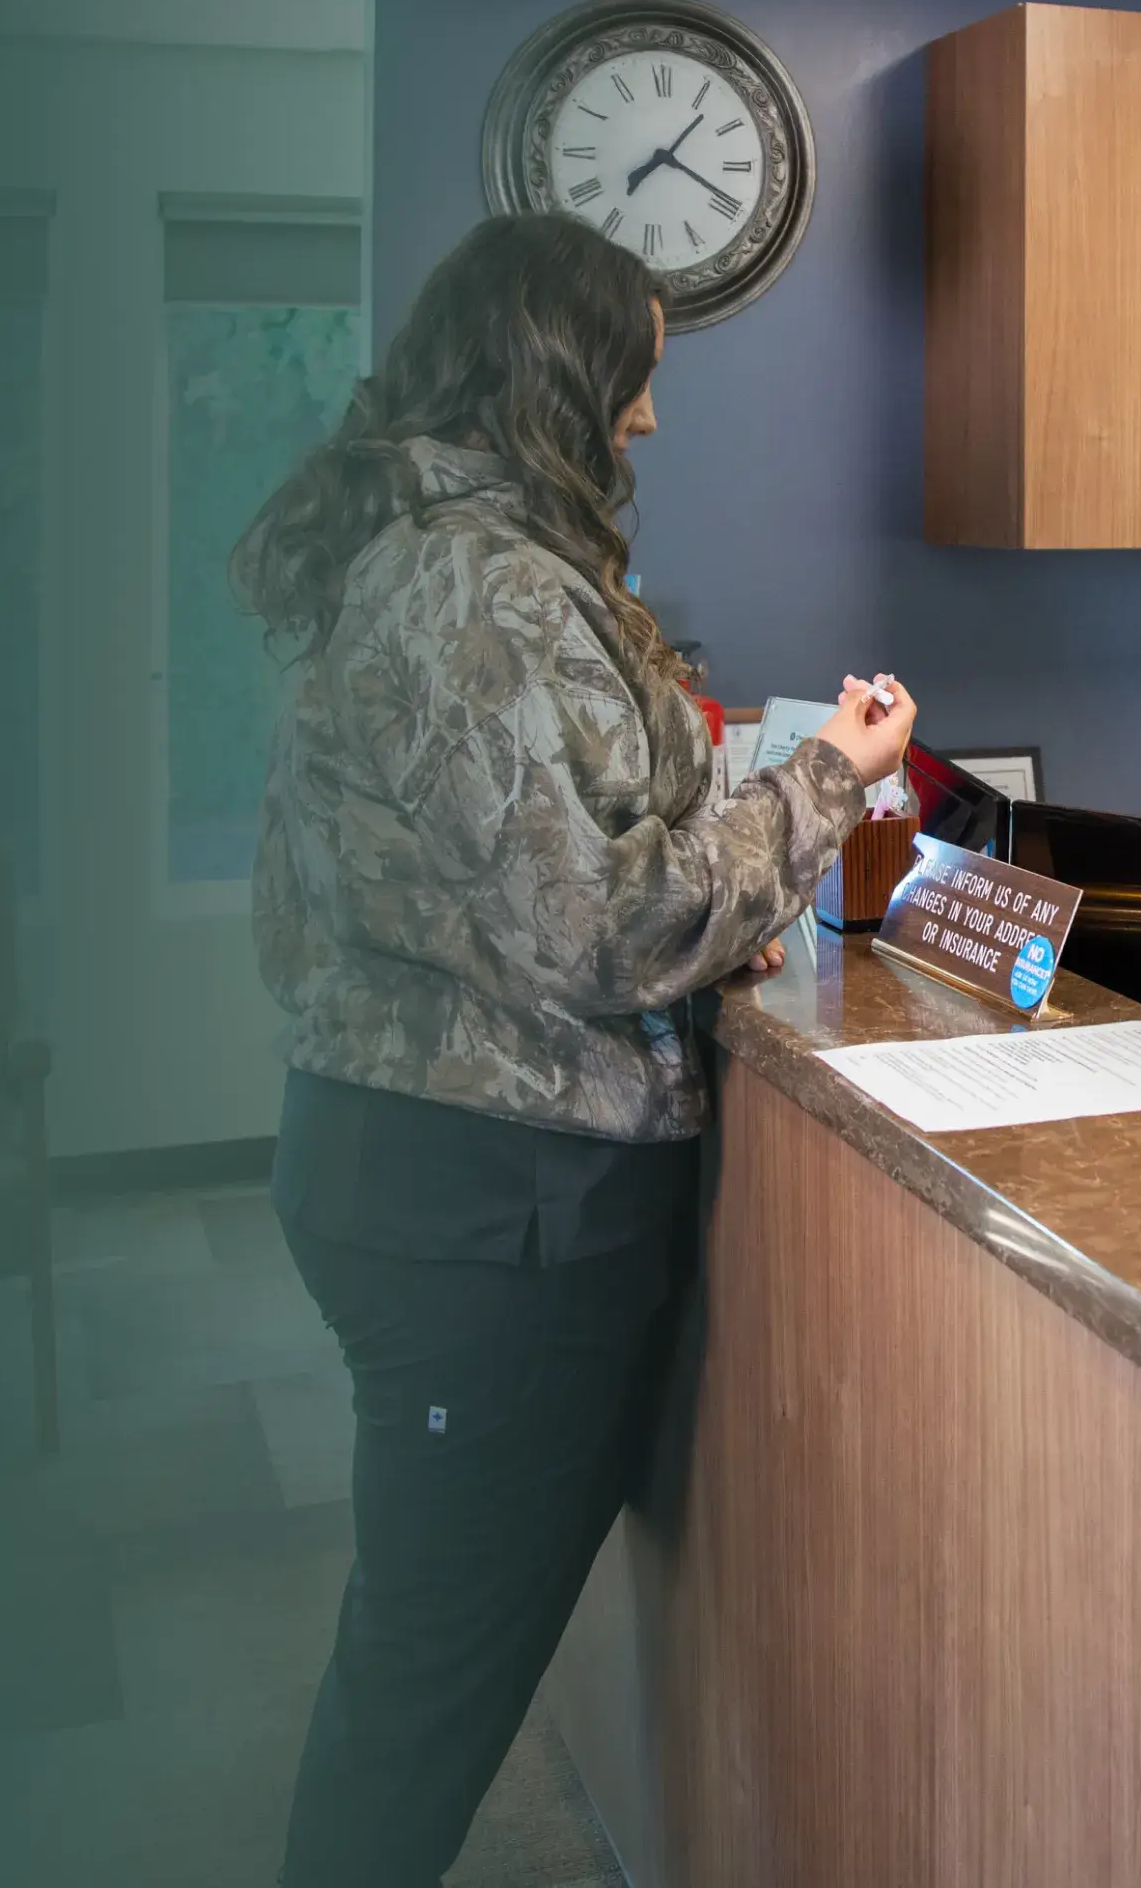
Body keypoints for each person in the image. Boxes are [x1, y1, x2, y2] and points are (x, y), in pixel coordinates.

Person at [233, 210, 915, 1887]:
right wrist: (826, 778)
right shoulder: (478, 585)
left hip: (429, 1169)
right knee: (429, 1677)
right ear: (553, 371)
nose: (650, 418)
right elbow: (605, 924)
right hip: (488, 1206)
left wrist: (706, 912)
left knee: (426, 1647)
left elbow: (519, 886)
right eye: (634, 376)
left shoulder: (425, 553)